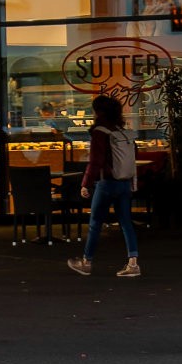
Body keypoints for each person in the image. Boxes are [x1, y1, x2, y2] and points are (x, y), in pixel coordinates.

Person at [66, 94, 142, 279]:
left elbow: (95, 161)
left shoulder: (100, 132)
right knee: (126, 223)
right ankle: (133, 263)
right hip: (124, 183)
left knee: (95, 223)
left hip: (107, 184)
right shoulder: (120, 131)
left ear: (99, 112)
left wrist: (86, 184)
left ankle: (87, 262)